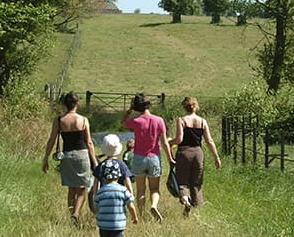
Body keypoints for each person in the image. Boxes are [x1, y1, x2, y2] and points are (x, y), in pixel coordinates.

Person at [42, 91, 98, 225]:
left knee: (71, 188)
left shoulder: (59, 120)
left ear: (65, 104)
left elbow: (51, 139)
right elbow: (89, 142)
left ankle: (71, 216)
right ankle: (76, 213)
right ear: (77, 103)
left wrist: (46, 158)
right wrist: (94, 161)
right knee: (83, 188)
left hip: (67, 156)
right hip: (82, 155)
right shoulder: (83, 120)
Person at [121, 93, 175, 222]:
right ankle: (154, 205)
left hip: (139, 158)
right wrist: (170, 157)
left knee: (140, 190)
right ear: (148, 105)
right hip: (154, 157)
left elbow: (122, 123)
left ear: (137, 107)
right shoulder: (159, 120)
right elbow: (164, 142)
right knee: (154, 188)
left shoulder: (136, 121)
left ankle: (142, 215)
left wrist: (129, 110)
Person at [169, 96, 222, 217]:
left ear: (184, 107)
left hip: (184, 152)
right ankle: (198, 210)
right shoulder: (202, 121)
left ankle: (186, 201)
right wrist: (216, 157)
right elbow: (209, 140)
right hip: (198, 153)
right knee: (197, 182)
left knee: (182, 181)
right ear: (196, 107)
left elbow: (179, 139)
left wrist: (169, 142)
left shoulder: (181, 120)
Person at [94, 159, 139, 236]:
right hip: (117, 225)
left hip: (103, 226)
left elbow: (96, 207)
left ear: (104, 178)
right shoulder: (123, 190)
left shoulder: (101, 191)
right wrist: (134, 217)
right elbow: (131, 206)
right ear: (118, 176)